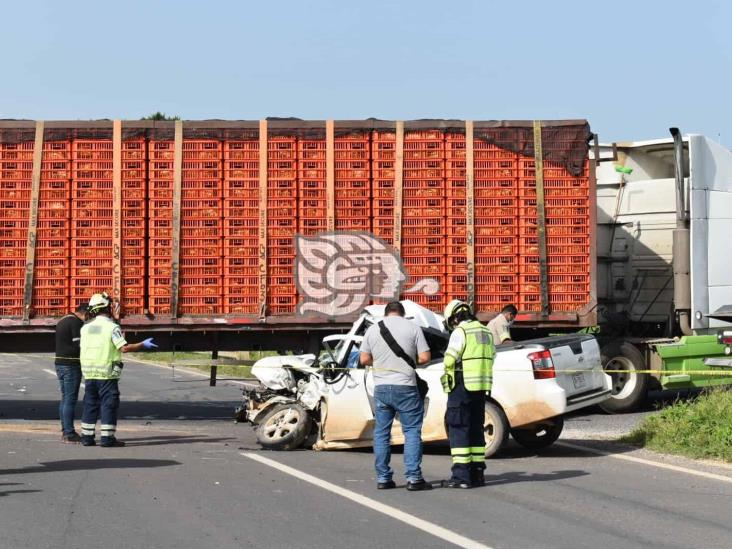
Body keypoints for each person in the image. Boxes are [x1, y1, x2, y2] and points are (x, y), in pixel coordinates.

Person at [359, 301, 432, 491]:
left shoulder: (373, 329)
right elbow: (425, 358)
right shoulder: (413, 327)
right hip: (406, 387)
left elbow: (364, 359)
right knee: (412, 432)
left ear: (386, 314)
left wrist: (382, 360)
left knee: (382, 433)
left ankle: (383, 479)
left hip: (382, 388)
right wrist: (409, 359)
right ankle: (414, 478)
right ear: (402, 313)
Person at [79, 292, 157, 447]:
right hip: (107, 374)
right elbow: (124, 348)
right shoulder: (112, 327)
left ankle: (87, 438)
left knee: (90, 404)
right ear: (107, 308)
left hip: (89, 373)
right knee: (108, 405)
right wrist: (142, 344)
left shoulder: (85, 328)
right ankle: (107, 438)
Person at [441, 299, 496, 488]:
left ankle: (461, 477)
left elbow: (449, 360)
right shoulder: (486, 330)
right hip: (481, 387)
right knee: (475, 428)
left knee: (458, 428)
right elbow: (493, 356)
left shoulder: (461, 332)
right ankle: (477, 474)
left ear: (455, 318)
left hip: (462, 386)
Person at [54, 303, 88, 443]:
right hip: (71, 365)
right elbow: (78, 344)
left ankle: (65, 430)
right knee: (70, 399)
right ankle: (69, 433)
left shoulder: (63, 320)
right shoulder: (75, 323)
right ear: (85, 313)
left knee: (65, 398)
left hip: (60, 363)